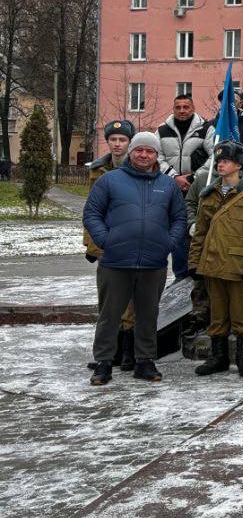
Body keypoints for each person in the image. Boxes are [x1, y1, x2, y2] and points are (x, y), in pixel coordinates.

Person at [82, 131, 186, 386]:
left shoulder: (168, 185)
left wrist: (168, 244)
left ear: (156, 155)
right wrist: (106, 241)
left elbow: (180, 219)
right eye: (139, 150)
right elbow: (92, 213)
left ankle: (145, 361)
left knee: (148, 314)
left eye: (149, 151)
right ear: (131, 152)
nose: (144, 155)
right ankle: (104, 362)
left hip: (153, 262)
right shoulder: (110, 181)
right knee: (109, 314)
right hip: (115, 262)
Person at [189, 141, 243, 379]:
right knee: (217, 314)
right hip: (212, 263)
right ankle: (218, 356)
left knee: (241, 314)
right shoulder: (209, 194)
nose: (221, 164)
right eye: (219, 161)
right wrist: (194, 262)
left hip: (239, 265)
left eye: (226, 161)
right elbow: (200, 232)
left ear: (239, 165)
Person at [83, 120, 138, 372]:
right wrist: (91, 245)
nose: (117, 144)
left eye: (122, 140)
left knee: (131, 301)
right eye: (113, 139)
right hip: (106, 241)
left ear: (130, 143)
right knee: (107, 300)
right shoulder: (97, 170)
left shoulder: (139, 168)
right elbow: (92, 210)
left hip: (131, 240)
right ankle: (110, 353)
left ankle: (128, 352)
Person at [157, 94, 213, 188]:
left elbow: (215, 156)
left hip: (197, 185)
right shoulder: (161, 130)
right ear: (173, 109)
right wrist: (174, 176)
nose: (182, 111)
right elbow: (156, 157)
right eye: (178, 107)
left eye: (186, 107)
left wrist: (193, 177)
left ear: (193, 108)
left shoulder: (206, 129)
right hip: (168, 183)